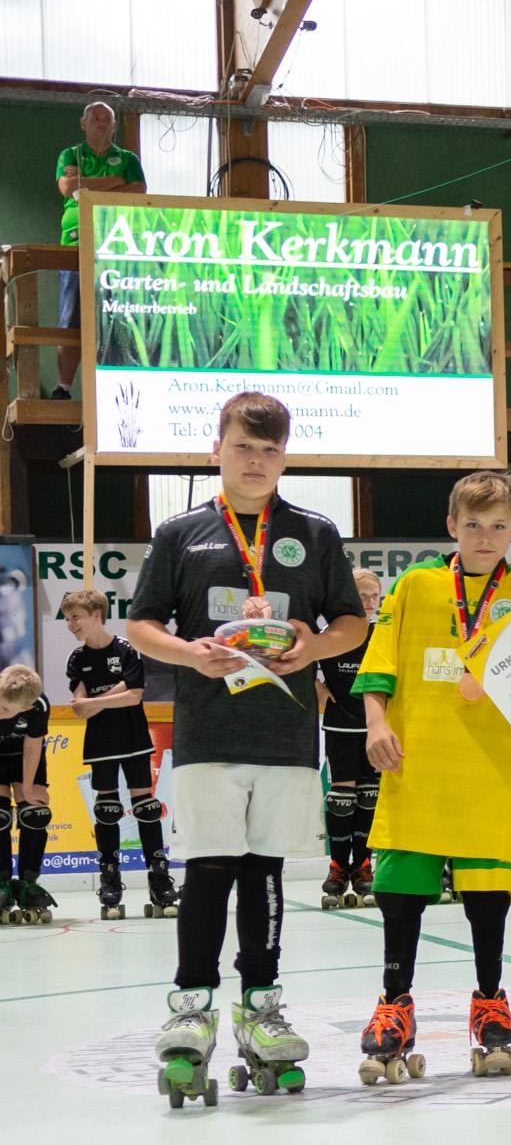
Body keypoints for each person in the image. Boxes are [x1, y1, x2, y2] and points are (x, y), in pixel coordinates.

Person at [127, 392, 368, 1107]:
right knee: (208, 870)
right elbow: (142, 625)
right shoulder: (181, 533)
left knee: (265, 872)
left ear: (284, 457)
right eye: (243, 447)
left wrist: (314, 648)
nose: (256, 461)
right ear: (217, 450)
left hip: (285, 734)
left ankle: (261, 1007)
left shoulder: (315, 533)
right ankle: (192, 1006)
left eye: (269, 450)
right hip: (207, 732)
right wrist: (189, 654)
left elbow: (352, 622)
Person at [353, 472, 511, 1084]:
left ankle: (490, 999)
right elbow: (379, 664)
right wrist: (376, 722)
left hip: (493, 768)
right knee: (401, 891)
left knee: (487, 896)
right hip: (417, 762)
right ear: (452, 526)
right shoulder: (416, 585)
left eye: (499, 526)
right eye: (474, 525)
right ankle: (394, 1001)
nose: (485, 537)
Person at [61, 589, 174, 920]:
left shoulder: (126, 649)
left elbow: (134, 695)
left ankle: (159, 878)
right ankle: (110, 880)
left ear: (96, 615)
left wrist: (96, 701)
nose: (70, 624)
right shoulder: (77, 659)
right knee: (107, 809)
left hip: (133, 735)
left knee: (146, 807)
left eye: (75, 617)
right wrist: (113, 693)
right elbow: (79, 708)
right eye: (67, 619)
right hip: (101, 742)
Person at [53, 100, 146, 398]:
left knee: (114, 315)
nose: (101, 123)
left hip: (115, 245)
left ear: (114, 125)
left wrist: (86, 185)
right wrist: (115, 182)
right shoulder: (71, 154)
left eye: (107, 118)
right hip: (75, 242)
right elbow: (67, 188)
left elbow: (138, 190)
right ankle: (63, 387)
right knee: (71, 318)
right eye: (95, 118)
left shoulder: (128, 158)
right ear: (84, 123)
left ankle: (112, 386)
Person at [317, 568, 383, 910]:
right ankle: (339, 865)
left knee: (370, 796)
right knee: (342, 798)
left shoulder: (384, 634)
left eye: (374, 596)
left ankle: (364, 864)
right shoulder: (333, 634)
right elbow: (300, 657)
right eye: (362, 596)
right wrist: (317, 687)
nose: (369, 602)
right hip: (341, 725)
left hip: (376, 727)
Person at [0, 665, 54, 924]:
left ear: (25, 707)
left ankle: (27, 883)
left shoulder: (38, 706)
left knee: (35, 813)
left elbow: (33, 746)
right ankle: (1, 882)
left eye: (5, 710)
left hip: (23, 756)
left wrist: (29, 787)